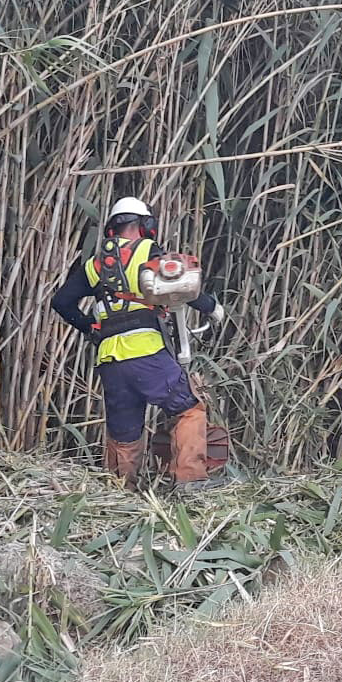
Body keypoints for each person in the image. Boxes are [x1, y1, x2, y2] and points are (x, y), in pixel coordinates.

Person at [50, 197, 224, 490]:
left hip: (110, 360)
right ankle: (190, 479)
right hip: (147, 352)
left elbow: (61, 302)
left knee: (123, 432)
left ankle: (121, 491)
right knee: (188, 409)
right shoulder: (148, 252)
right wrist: (212, 308)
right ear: (146, 225)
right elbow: (183, 285)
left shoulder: (94, 266)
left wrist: (91, 329)